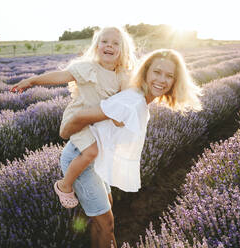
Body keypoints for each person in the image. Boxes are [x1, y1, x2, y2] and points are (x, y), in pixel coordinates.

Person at [60, 48, 203, 248]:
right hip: (82, 159)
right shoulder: (132, 101)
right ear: (145, 72)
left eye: (169, 75)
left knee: (105, 216)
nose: (162, 80)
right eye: (157, 72)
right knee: (106, 223)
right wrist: (65, 134)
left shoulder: (141, 100)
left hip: (97, 158)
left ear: (175, 81)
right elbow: (80, 117)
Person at [10, 26, 137, 209]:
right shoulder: (87, 68)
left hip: (99, 122)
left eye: (115, 43)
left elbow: (127, 99)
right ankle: (64, 185)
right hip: (79, 120)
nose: (109, 46)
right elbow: (60, 76)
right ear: (96, 46)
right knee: (92, 152)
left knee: (104, 153)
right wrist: (32, 80)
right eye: (104, 41)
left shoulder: (122, 75)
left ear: (123, 49)